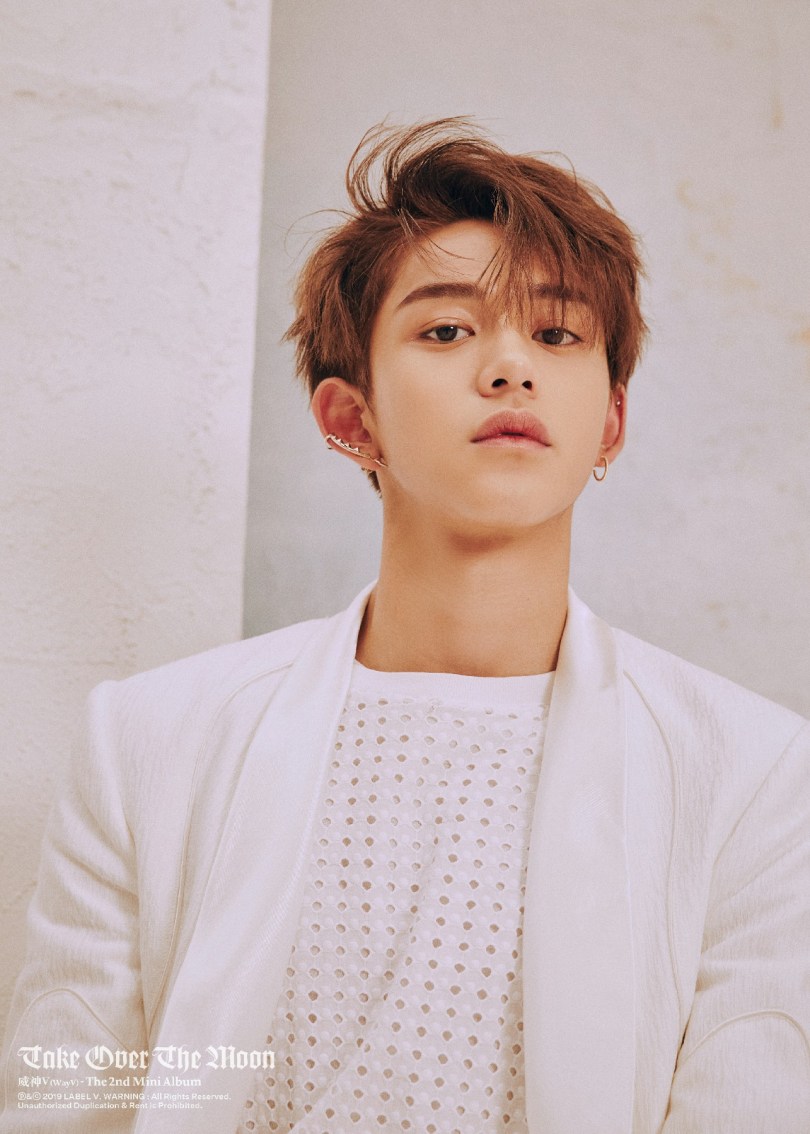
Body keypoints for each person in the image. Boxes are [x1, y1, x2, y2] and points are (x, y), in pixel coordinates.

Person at [2, 119, 808, 1134]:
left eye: (557, 335)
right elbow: (66, 1106)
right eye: (447, 331)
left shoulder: (751, 772)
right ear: (352, 419)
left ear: (610, 421)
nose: (510, 367)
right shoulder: (149, 742)